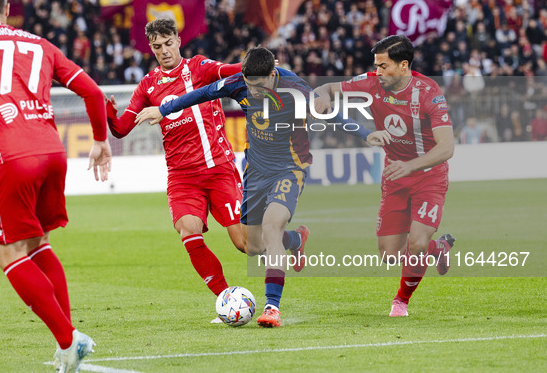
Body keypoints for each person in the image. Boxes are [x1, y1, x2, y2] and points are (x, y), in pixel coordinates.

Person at [134, 47, 388, 327]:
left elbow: (332, 114)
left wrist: (365, 133)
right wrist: (163, 108)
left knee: (271, 227)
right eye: (249, 84)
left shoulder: (295, 87)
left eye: (259, 85)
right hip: (255, 170)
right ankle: (295, 240)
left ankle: (272, 307)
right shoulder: (239, 82)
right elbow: (201, 93)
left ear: (272, 73)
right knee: (252, 246)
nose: (253, 91)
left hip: (290, 168)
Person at [0, 0, 112, 371]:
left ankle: (68, 340)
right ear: (8, 9)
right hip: (52, 151)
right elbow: (93, 92)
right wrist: (100, 141)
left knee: (6, 251)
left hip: (11, 156)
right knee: (38, 241)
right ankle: (68, 344)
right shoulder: (40, 44)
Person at [105, 19, 252, 321]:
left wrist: (257, 62)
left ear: (178, 40)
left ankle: (291, 238)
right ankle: (227, 300)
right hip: (183, 177)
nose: (164, 51)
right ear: (151, 48)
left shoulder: (199, 67)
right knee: (189, 232)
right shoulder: (148, 86)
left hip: (218, 168)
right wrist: (106, 112)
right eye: (157, 46)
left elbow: (230, 70)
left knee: (245, 244)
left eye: (168, 43)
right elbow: (121, 129)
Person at [314, 35, 456, 318]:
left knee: (414, 244)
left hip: (428, 175)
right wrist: (322, 98)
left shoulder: (429, 92)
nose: (377, 72)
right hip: (394, 173)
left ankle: (400, 301)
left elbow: (447, 147)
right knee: (390, 254)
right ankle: (437, 248)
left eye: (384, 66)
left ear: (404, 66)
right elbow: (326, 87)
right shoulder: (370, 83)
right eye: (376, 65)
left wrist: (413, 165)